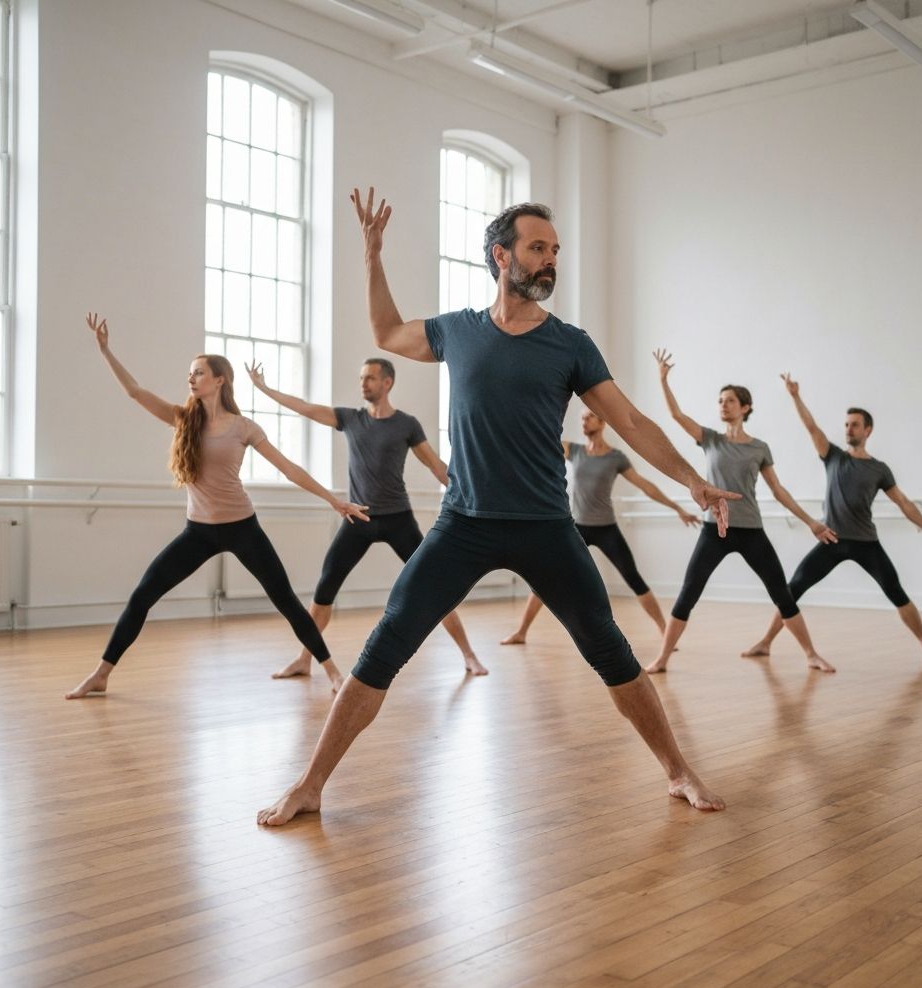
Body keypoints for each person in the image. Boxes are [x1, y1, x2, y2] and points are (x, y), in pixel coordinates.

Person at [257, 188, 741, 827]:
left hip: (545, 525)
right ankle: (311, 783)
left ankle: (678, 770)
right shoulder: (457, 331)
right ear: (501, 256)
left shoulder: (570, 344)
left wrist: (690, 479)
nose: (550, 261)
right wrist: (372, 256)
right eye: (538, 248)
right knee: (384, 644)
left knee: (609, 650)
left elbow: (628, 418)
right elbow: (386, 332)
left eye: (555, 251)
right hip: (464, 524)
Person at [65, 313, 368, 700]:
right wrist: (106, 350)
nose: (191, 378)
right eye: (190, 374)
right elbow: (136, 392)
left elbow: (289, 468)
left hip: (243, 528)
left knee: (286, 600)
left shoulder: (243, 428)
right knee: (143, 594)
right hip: (199, 532)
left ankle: (333, 673)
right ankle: (102, 674)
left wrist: (334, 500)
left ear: (219, 380)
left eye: (198, 373)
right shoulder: (183, 420)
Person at [245, 356, 487, 686]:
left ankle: (469, 655)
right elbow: (305, 408)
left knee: (434, 587)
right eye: (361, 377)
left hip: (399, 519)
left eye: (370, 377)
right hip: (358, 517)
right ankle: (305, 658)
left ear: (387, 383)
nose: (363, 383)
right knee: (325, 588)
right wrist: (265, 388)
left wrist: (471, 495)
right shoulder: (350, 419)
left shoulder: (407, 424)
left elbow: (434, 464)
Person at [652, 348, 837, 674]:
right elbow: (677, 416)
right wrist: (663, 379)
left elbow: (778, 491)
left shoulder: (759, 448)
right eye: (720, 400)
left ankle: (810, 654)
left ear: (745, 408)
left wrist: (811, 522)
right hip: (714, 530)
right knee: (688, 592)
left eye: (730, 401)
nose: (723, 405)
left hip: (751, 531)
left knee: (782, 594)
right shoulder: (710, 439)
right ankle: (663, 658)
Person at [744, 373, 922, 662]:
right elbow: (811, 427)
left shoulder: (879, 469)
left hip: (866, 542)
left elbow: (903, 501)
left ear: (868, 430)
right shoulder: (834, 456)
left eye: (855, 425)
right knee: (792, 589)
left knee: (895, 591)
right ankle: (765, 642)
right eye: (846, 425)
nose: (849, 429)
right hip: (832, 539)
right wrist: (795, 396)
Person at [501, 406, 700, 646]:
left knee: (634, 578)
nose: (584, 422)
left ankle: (663, 630)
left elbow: (645, 485)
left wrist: (677, 508)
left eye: (589, 418)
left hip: (607, 529)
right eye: (582, 417)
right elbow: (541, 443)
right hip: (576, 529)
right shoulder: (573, 450)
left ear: (603, 422)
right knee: (546, 578)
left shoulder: (616, 458)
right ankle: (521, 631)